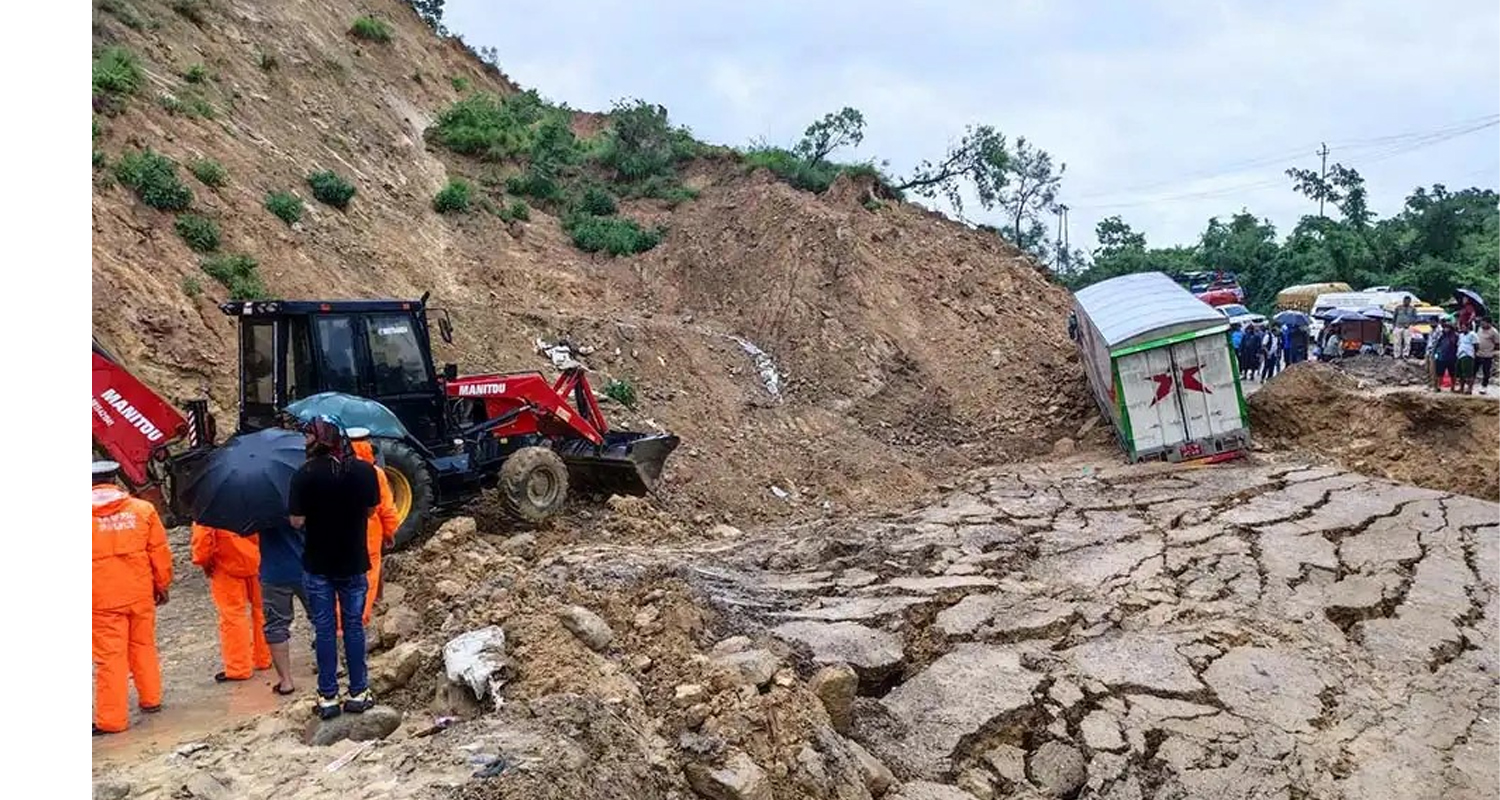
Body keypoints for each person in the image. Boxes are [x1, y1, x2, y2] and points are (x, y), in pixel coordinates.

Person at [289, 416, 381, 720]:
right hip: (354, 562)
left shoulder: (303, 475)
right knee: (354, 627)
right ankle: (358, 691)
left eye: (307, 436)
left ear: (318, 439)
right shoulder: (365, 471)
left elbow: (297, 521)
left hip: (318, 564)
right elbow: (370, 511)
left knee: (325, 629)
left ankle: (328, 696)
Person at [92, 461, 172, 735]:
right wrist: (162, 585)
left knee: (110, 658)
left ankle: (112, 720)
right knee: (143, 645)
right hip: (139, 593)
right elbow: (159, 553)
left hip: (100, 600)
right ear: (115, 479)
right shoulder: (143, 510)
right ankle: (151, 699)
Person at [191, 523, 272, 683]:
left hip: (225, 566)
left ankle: (239, 667)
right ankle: (264, 657)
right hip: (257, 560)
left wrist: (204, 562)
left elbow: (202, 539)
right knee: (262, 610)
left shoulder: (209, 504)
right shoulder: (254, 498)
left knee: (232, 616)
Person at [346, 427, 400, 627]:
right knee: (367, 577)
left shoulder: (334, 469)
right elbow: (386, 507)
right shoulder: (375, 473)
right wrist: (389, 532)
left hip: (340, 534)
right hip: (369, 533)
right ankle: (359, 621)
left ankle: (341, 623)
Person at [259, 519, 310, 696]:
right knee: (321, 618)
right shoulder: (302, 496)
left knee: (276, 625)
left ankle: (286, 681)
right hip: (307, 567)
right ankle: (333, 667)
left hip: (274, 572)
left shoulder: (259, 502)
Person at [1431, 321, 1459, 392]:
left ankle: (1453, 387)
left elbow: (1457, 346)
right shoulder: (1441, 336)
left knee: (1452, 373)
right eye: (1445, 327)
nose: (1446, 329)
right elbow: (1436, 346)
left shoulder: (1455, 336)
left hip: (1452, 357)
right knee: (1439, 373)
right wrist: (1434, 354)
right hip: (1441, 357)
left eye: (1448, 327)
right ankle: (1438, 386)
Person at [1475, 318, 1500, 394]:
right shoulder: (1479, 329)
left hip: (1488, 355)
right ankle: (1470, 385)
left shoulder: (1494, 332)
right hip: (1478, 353)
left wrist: (1491, 351)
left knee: (1486, 372)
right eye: (1481, 323)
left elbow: (1497, 344)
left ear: (1489, 323)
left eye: (1484, 323)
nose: (1482, 325)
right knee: (1474, 370)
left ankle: (1484, 387)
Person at [1456, 322, 1478, 394]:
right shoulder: (1461, 335)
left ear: (1468, 327)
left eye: (1464, 327)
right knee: (1460, 373)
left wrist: (1473, 353)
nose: (1462, 328)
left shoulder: (1472, 334)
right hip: (1460, 355)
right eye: (1462, 327)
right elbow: (1459, 344)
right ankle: (1461, 388)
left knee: (1468, 374)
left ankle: (1469, 389)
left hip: (1468, 355)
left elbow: (1476, 346)